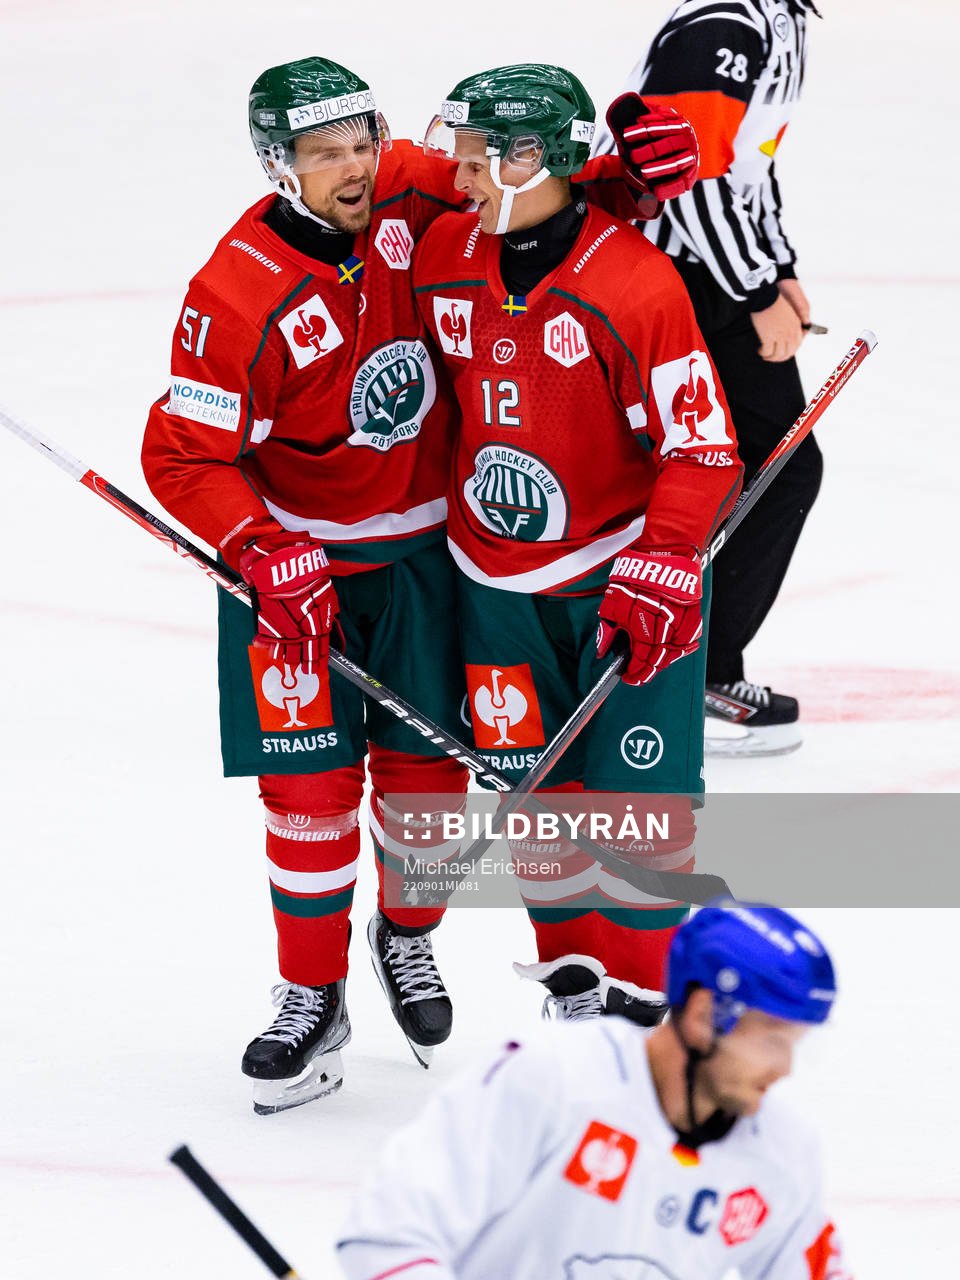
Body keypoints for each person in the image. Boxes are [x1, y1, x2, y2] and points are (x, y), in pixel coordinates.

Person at [141, 57, 701, 1112]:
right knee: (308, 804)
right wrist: (261, 548)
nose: (354, 169)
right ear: (279, 165)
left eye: (361, 142)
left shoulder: (410, 183)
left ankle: (407, 933)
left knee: (429, 798)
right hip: (295, 578)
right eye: (324, 155)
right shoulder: (233, 291)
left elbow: (536, 198)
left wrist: (626, 179)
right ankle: (312, 996)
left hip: (427, 566)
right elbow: (179, 454)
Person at [411, 64, 743, 1016]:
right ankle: (572, 988)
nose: (457, 172)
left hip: (622, 580)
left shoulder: (635, 284)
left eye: (475, 156)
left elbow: (703, 443)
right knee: (535, 803)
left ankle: (645, 1011)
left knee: (641, 817)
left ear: (529, 159)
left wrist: (669, 556)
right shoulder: (440, 253)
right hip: (492, 581)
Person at [336, 902, 851, 1279]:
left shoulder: (779, 1152)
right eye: (772, 1042)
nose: (785, 1069)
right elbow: (389, 1236)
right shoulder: (551, 1080)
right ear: (701, 1018)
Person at [593, 1, 824, 757]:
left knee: (752, 463)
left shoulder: (773, 21)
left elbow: (751, 161)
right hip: (670, 273)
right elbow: (687, 178)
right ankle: (698, 672)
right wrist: (755, 292)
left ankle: (682, 660)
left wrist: (778, 265)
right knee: (766, 465)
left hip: (700, 270)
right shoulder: (723, 28)